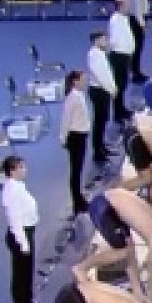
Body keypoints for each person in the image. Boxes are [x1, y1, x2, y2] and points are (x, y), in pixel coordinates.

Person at [73, 188, 152, 303]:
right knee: (124, 252)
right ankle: (81, 268)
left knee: (129, 248)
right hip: (104, 210)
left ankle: (138, 292)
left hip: (107, 203)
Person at [1, 155, 45, 303]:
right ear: (12, 171)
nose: (25, 170)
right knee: (22, 275)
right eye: (21, 167)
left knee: (25, 273)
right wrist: (23, 243)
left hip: (25, 234)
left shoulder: (17, 186)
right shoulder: (12, 191)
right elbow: (14, 219)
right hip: (21, 236)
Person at [59, 71, 90, 216]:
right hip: (75, 137)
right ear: (75, 82)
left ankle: (79, 199)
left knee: (78, 170)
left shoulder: (79, 96)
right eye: (82, 79)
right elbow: (66, 120)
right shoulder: (72, 98)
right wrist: (63, 138)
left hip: (81, 136)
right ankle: (77, 202)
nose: (85, 82)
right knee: (76, 171)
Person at [106, 0, 136, 128]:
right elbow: (114, 40)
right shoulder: (116, 20)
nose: (129, 6)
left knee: (122, 85)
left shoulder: (123, 18)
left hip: (124, 56)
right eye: (127, 4)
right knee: (118, 86)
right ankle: (117, 114)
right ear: (121, 7)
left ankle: (121, 109)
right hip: (118, 56)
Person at [85, 32, 116, 165]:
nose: (106, 41)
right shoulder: (94, 55)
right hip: (99, 90)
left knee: (103, 119)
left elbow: (107, 73)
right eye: (104, 39)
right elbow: (100, 75)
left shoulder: (100, 53)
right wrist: (110, 88)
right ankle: (97, 152)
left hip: (103, 89)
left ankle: (101, 146)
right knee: (99, 121)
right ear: (96, 40)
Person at [125, 0, 150, 85]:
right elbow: (138, 11)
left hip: (136, 20)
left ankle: (134, 70)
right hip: (136, 21)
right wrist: (142, 25)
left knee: (137, 48)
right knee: (137, 48)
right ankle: (136, 73)